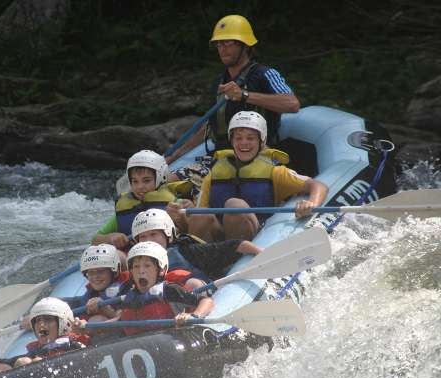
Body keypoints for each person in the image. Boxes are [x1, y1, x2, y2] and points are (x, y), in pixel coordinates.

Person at [167, 14, 300, 184]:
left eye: (228, 43)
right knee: (166, 181)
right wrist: (174, 156)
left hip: (257, 157)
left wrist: (244, 95)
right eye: (218, 44)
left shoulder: (264, 74)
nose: (222, 48)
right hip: (222, 158)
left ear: (245, 45)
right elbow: (211, 125)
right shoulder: (220, 82)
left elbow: (292, 104)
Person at [182, 111, 328, 242]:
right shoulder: (214, 174)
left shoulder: (275, 172)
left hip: (258, 235)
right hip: (219, 240)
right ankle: (193, 260)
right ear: (231, 141)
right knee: (199, 214)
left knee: (234, 205)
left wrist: (312, 203)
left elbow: (318, 186)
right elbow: (199, 212)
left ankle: (235, 260)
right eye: (238, 138)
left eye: (250, 138)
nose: (244, 143)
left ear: (261, 141)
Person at [131, 208, 261, 281]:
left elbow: (233, 247)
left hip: (200, 301)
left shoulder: (187, 252)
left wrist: (261, 253)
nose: (149, 240)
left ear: (168, 235)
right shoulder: (135, 265)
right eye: (143, 237)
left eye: (154, 234)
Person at [115, 241, 215, 336]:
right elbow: (120, 324)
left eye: (147, 266)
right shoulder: (128, 299)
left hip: (177, 340)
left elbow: (207, 301)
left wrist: (194, 315)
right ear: (131, 272)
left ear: (161, 270)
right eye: (136, 267)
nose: (141, 271)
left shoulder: (170, 291)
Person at [92, 149, 180, 250]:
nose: (140, 186)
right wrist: (110, 238)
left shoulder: (174, 205)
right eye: (135, 181)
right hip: (137, 260)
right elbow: (95, 240)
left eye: (146, 181)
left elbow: (191, 231)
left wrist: (182, 220)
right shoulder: (125, 208)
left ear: (160, 178)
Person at [0, 297, 90, 374]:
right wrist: (5, 368)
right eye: (37, 321)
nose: (41, 324)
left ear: (65, 323)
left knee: (28, 362)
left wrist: (86, 328)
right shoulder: (36, 351)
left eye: (48, 320)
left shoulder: (75, 342)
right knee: (22, 362)